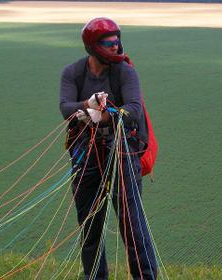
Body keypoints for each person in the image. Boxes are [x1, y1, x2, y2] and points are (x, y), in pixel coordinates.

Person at [59, 17, 158, 280]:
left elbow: (134, 109)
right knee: (89, 226)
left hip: (123, 157)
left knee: (133, 228)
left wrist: (109, 114)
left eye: (117, 41)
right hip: (86, 159)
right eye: (108, 42)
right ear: (93, 46)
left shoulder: (125, 72)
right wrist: (88, 105)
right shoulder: (73, 73)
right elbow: (65, 107)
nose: (115, 46)